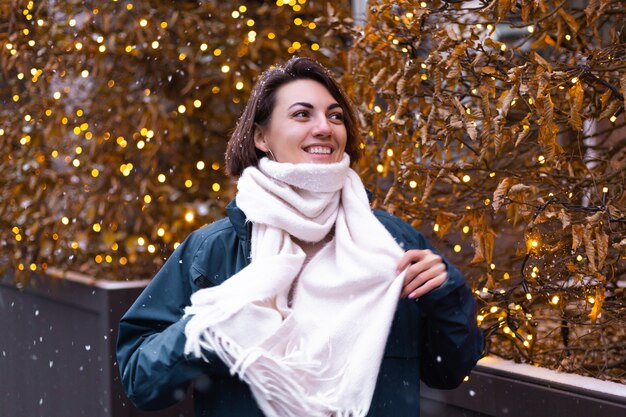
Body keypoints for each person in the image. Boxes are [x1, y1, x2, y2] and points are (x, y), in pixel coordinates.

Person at [116, 56, 483, 417]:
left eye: (335, 116)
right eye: (302, 114)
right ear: (261, 137)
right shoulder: (211, 251)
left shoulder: (394, 243)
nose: (324, 127)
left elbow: (448, 371)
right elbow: (140, 380)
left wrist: (446, 295)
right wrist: (209, 330)